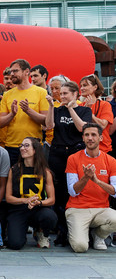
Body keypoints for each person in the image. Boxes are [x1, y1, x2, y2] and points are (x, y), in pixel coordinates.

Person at [45, 80, 92, 246]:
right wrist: (51, 106)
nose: (62, 96)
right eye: (61, 93)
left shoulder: (84, 110)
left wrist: (71, 108)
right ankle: (61, 231)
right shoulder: (57, 110)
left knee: (75, 190)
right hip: (57, 152)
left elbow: (82, 128)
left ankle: (78, 229)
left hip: (75, 152)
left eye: (66, 93)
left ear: (75, 94)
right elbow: (48, 125)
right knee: (59, 193)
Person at [65, 123, 116, 252]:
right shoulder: (73, 158)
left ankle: (98, 236)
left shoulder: (111, 161)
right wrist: (85, 178)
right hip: (77, 208)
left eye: (94, 135)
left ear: (100, 138)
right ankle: (78, 232)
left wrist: (97, 181)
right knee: (80, 247)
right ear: (82, 138)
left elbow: (115, 192)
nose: (90, 138)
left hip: (101, 209)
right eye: (87, 135)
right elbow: (72, 191)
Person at [5, 137, 57, 249]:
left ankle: (41, 232)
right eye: (21, 146)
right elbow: (8, 198)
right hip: (18, 209)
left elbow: (52, 199)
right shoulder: (14, 169)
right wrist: (25, 200)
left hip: (38, 209)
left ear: (35, 150)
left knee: (50, 217)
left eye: (26, 145)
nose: (22, 148)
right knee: (15, 244)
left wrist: (39, 203)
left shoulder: (45, 172)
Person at [0, 59, 49, 165]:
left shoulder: (41, 92)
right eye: (11, 72)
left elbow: (46, 122)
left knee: (33, 179)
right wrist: (12, 114)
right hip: (12, 146)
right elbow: (1, 123)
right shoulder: (7, 95)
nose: (12, 74)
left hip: (33, 146)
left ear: (26, 72)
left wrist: (29, 111)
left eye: (15, 71)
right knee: (13, 179)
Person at [79, 74, 113, 154]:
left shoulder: (105, 104)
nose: (82, 88)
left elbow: (102, 126)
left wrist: (88, 111)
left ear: (95, 87)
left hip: (103, 150)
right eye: (81, 86)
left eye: (85, 85)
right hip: (83, 151)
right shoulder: (79, 106)